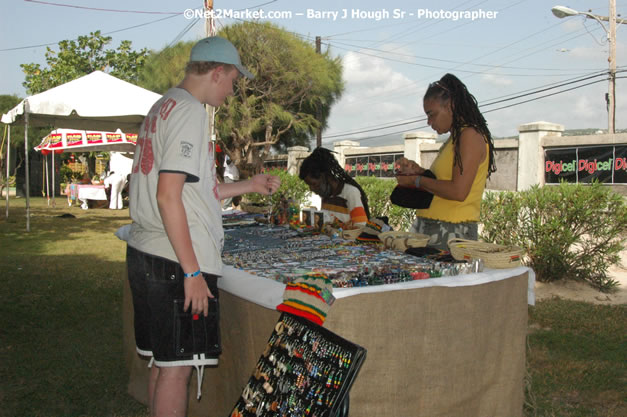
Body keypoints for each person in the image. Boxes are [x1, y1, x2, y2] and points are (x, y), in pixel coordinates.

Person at [126, 36, 280, 417]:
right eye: (232, 81)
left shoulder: (162, 105)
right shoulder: (190, 111)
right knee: (177, 370)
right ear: (217, 72)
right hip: (175, 260)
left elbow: (189, 190)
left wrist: (248, 185)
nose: (231, 90)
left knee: (164, 364)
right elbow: (168, 196)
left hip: (147, 251)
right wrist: (192, 271)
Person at [395, 73, 496, 250]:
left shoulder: (469, 136)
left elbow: (458, 191)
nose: (429, 122)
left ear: (450, 106)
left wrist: (416, 181)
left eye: (432, 114)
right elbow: (442, 182)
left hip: (450, 231)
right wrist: (419, 172)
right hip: (437, 227)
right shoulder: (456, 138)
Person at [299, 147, 369, 226]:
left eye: (314, 184)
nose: (311, 189)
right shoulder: (326, 195)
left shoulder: (350, 192)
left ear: (326, 176)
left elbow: (361, 227)